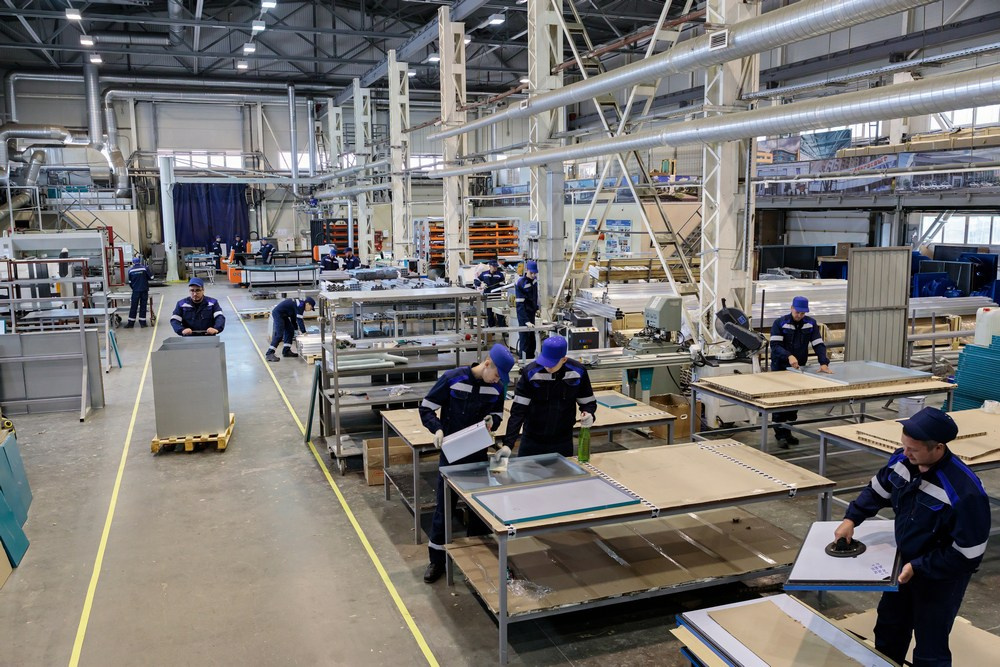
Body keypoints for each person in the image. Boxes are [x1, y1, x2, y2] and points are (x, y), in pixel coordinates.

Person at [834, 407, 990, 666]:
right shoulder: (902, 461)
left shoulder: (964, 492)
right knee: (889, 630)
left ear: (938, 448)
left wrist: (919, 566)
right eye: (904, 445)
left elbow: (968, 555)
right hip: (902, 565)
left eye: (913, 449)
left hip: (940, 577)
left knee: (930, 646)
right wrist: (852, 518)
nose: (905, 453)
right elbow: (878, 490)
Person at [419, 343, 515, 584]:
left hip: (477, 455)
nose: (497, 380)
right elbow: (426, 407)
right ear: (487, 363)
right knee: (444, 509)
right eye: (496, 375)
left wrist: (492, 420)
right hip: (451, 455)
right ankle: (437, 560)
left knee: (479, 510)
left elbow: (498, 415)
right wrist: (437, 429)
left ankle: (478, 558)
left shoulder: (497, 387)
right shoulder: (453, 379)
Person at [503, 336, 597, 457]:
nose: (547, 366)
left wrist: (589, 413)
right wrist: (508, 444)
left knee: (563, 470)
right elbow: (518, 412)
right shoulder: (531, 373)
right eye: (545, 361)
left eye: (552, 364)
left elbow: (588, 402)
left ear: (563, 359)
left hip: (562, 441)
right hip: (532, 440)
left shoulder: (578, 372)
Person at [768, 295, 831, 447]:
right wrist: (788, 356)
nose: (799, 315)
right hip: (780, 367)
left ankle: (788, 431)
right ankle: (780, 435)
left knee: (795, 401)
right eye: (797, 312)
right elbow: (775, 346)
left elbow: (818, 344)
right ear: (791, 308)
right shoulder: (780, 323)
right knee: (781, 402)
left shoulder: (810, 324)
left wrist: (823, 362)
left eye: (803, 313)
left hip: (798, 368)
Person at [265, 297, 316, 362]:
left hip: (283, 314)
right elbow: (299, 320)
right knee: (279, 334)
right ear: (308, 304)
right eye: (311, 308)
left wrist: (296, 330)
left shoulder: (299, 304)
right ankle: (269, 353)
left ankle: (286, 351)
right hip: (278, 313)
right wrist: (304, 332)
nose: (310, 310)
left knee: (290, 330)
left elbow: (293, 318)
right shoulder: (301, 306)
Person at [515, 260, 540, 359]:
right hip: (524, 316)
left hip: (531, 314)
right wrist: (525, 321)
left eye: (535, 273)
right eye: (531, 273)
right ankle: (523, 362)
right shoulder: (521, 283)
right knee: (525, 341)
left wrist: (537, 308)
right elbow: (520, 305)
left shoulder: (534, 281)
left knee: (532, 341)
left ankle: (531, 361)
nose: (533, 275)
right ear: (526, 270)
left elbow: (534, 297)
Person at [474, 259, 507, 329]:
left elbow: (503, 284)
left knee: (499, 313)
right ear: (490, 266)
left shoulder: (500, 275)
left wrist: (502, 287)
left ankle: (503, 329)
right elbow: (476, 280)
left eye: (496, 266)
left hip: (497, 296)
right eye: (493, 266)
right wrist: (481, 284)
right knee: (489, 314)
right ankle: (491, 329)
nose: (495, 268)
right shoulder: (484, 274)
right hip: (487, 296)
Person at [124, 257, 153, 328]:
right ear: (140, 261)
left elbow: (130, 282)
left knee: (133, 306)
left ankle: (131, 323)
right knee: (143, 306)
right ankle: (143, 323)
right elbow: (151, 277)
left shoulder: (130, 271)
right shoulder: (145, 268)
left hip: (135, 291)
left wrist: (134, 288)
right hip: (144, 290)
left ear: (133, 262)